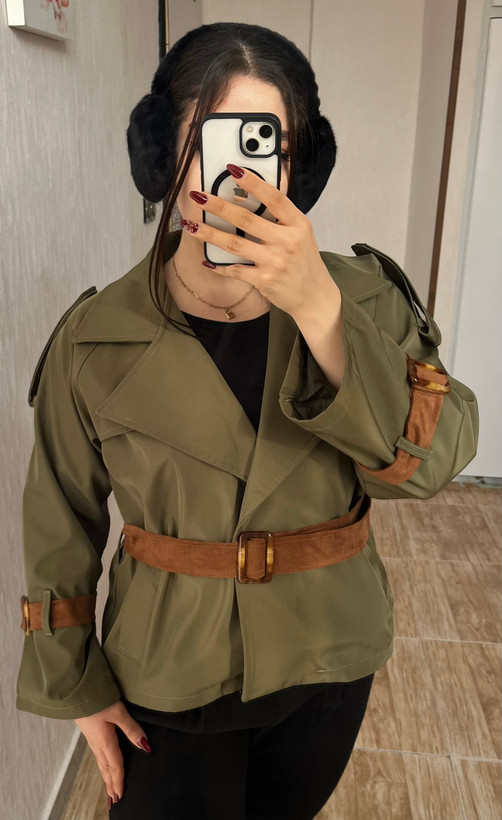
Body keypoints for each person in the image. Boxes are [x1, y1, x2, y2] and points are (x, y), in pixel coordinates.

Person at [15, 21, 479, 820]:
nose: (239, 178)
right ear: (162, 159)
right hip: (169, 671)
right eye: (212, 143)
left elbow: (430, 467)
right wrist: (72, 683)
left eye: (268, 149)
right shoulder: (94, 339)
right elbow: (60, 519)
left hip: (328, 658)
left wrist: (323, 315)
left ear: (298, 170)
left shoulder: (364, 300)